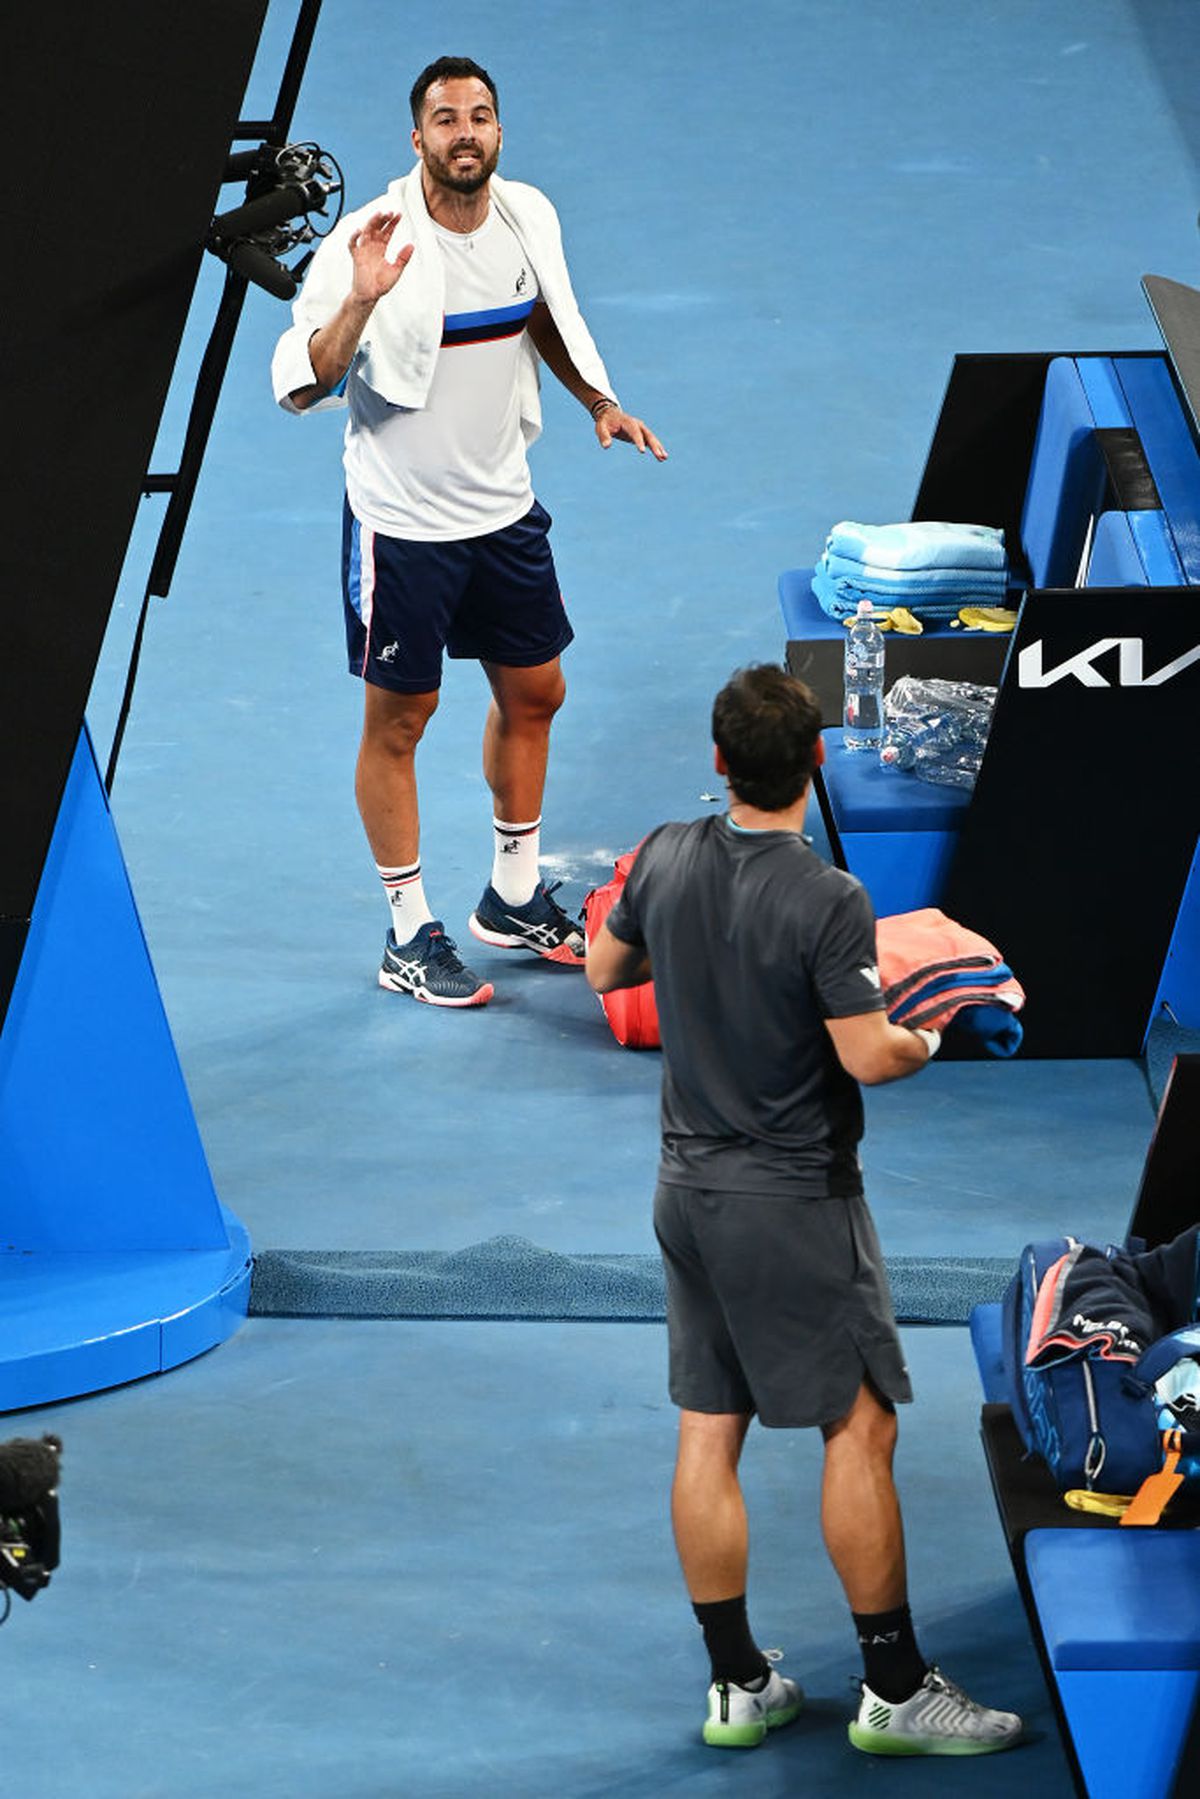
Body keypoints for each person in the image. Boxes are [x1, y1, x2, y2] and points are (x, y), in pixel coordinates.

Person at [586, 664, 1022, 1758]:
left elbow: (604, 966)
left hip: (684, 1192)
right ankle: (892, 1687)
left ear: (722, 762)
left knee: (707, 1427)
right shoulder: (829, 896)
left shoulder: (666, 851)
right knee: (860, 1426)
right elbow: (870, 1056)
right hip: (792, 1202)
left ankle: (736, 1683)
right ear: (817, 760)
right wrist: (939, 1021)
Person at [272, 55, 666, 1007]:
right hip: (403, 527)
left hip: (502, 510)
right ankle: (408, 932)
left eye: (480, 116)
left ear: (498, 132)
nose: (465, 133)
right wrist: (362, 297)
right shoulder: (369, 239)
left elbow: (546, 317)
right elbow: (301, 383)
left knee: (537, 691)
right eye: (445, 119)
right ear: (418, 140)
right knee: (401, 719)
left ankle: (514, 892)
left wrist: (596, 400)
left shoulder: (528, 215)